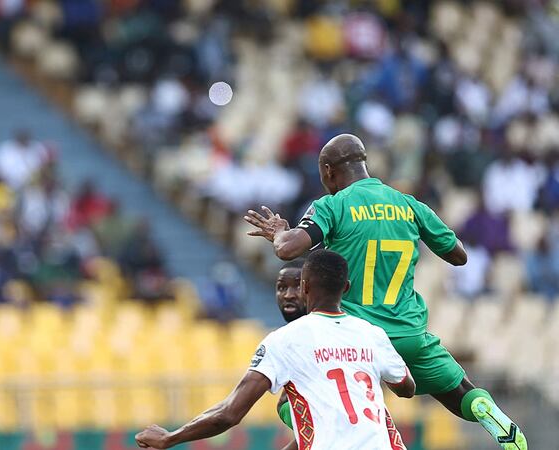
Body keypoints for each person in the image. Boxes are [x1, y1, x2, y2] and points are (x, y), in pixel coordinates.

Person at [244, 134, 527, 449]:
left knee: (290, 399)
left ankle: (371, 420)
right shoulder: (408, 204)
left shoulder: (333, 205)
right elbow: (458, 255)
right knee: (458, 389)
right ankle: (483, 408)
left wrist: (279, 231)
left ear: (327, 170)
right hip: (409, 330)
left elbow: (287, 249)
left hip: (356, 334)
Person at [135, 250, 416, 449]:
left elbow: (230, 412)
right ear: (346, 287)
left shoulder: (285, 341)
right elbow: (406, 387)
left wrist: (171, 438)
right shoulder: (371, 333)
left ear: (305, 286)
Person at [273, 258, 407, 450]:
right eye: (281, 287)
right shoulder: (294, 339)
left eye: (297, 286)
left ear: (310, 287)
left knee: (286, 405)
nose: (289, 295)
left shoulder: (345, 333)